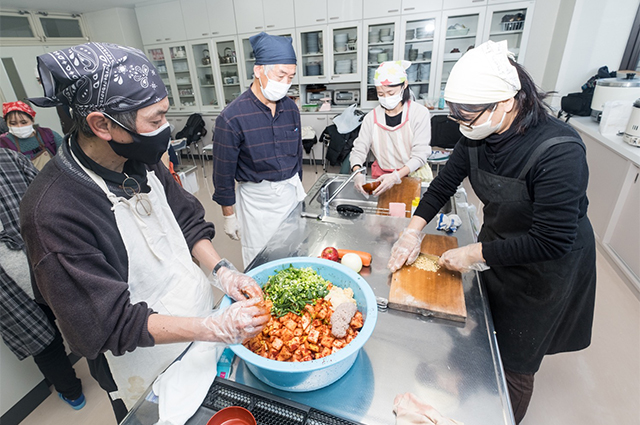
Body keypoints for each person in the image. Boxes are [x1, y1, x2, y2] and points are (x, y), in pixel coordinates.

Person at [21, 42, 270, 421]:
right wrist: (209, 327)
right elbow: (106, 324)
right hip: (143, 357)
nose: (165, 131)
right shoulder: (53, 212)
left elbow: (186, 220)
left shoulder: (140, 159)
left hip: (198, 323)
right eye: (155, 122)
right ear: (102, 124)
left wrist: (222, 271)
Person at [387, 41, 596, 424]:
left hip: (546, 265)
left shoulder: (559, 150)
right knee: (480, 325)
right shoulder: (477, 134)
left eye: (468, 115)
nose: (462, 124)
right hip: (500, 240)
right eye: (457, 116)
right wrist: (412, 232)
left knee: (517, 357)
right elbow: (443, 183)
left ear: (505, 102)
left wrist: (473, 254)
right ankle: (463, 389)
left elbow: (552, 239)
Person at [0, 147, 85, 410]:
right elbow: (46, 196)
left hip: (26, 268)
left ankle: (72, 393)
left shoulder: (8, 157)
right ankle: (95, 374)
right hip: (40, 255)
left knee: (43, 337)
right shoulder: (8, 157)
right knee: (76, 313)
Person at [212, 32, 304, 267]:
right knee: (263, 261)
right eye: (280, 74)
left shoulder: (291, 110)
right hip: (258, 204)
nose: (285, 83)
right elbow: (223, 173)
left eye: (290, 77)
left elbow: (297, 157)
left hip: (290, 196)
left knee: (293, 255)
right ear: (258, 70)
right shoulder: (232, 117)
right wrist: (228, 215)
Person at [349, 61, 433, 197]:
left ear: (404, 85)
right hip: (382, 178)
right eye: (381, 94)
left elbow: (420, 155)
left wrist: (395, 177)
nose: (386, 98)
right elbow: (359, 149)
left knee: (411, 214)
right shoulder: (371, 118)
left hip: (413, 175)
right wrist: (357, 172)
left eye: (390, 92)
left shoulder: (419, 113)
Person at [0, 101, 63, 170]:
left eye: (24, 122)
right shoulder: (4, 144)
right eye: (13, 123)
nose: (19, 126)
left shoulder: (47, 135)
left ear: (32, 120)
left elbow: (67, 155)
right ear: (7, 124)